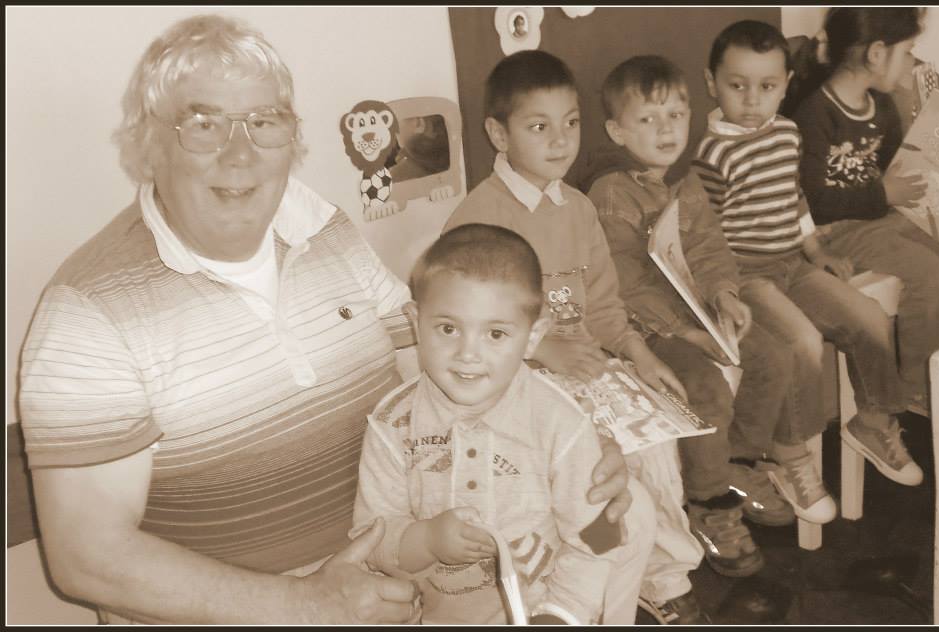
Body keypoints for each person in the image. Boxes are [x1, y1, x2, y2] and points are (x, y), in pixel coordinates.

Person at [16, 15, 632, 625]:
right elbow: (87, 559)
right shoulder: (87, 315)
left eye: (264, 122)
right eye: (204, 124)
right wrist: (306, 604)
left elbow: (445, 359)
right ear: (151, 141)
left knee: (630, 526)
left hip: (407, 583)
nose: (240, 154)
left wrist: (570, 444)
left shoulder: (324, 230)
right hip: (250, 616)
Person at [443, 49, 708, 626]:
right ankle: (608, 584)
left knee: (657, 446)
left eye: (570, 123)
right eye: (539, 127)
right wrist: (542, 348)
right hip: (516, 385)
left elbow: (604, 306)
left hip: (587, 371)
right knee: (607, 474)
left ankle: (661, 578)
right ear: (499, 134)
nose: (561, 140)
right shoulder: (480, 218)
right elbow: (467, 327)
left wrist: (638, 355)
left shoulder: (580, 209)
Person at [351, 224, 655, 625]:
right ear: (415, 320)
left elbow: (599, 537)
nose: (468, 353)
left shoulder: (561, 423)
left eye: (495, 334)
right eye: (447, 329)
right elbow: (370, 540)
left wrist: (561, 616)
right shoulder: (392, 424)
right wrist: (427, 539)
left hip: (544, 611)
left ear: (533, 337)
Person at [583, 55, 803, 588]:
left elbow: (709, 248)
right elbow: (624, 282)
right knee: (705, 387)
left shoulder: (685, 180)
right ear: (617, 131)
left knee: (774, 357)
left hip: (696, 309)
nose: (667, 130)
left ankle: (737, 462)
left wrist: (726, 296)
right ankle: (709, 501)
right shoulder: (610, 191)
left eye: (676, 116)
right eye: (649, 119)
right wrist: (683, 332)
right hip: (646, 325)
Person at [693, 20, 922, 494]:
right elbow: (702, 232)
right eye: (738, 86)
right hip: (747, 274)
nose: (752, 101)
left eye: (767, 87)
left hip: (794, 262)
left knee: (870, 319)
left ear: (785, 86)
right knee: (803, 342)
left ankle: (873, 420)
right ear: (712, 83)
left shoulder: (785, 134)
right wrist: (718, 290)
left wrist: (815, 247)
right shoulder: (713, 155)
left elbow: (794, 196)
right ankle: (789, 451)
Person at [788, 7, 939, 421]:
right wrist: (883, 193)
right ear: (877, 54)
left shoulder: (881, 105)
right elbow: (812, 199)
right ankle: (920, 387)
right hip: (837, 230)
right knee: (926, 270)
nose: (911, 62)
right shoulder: (815, 114)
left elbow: (897, 163)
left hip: (879, 217)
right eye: (907, 51)